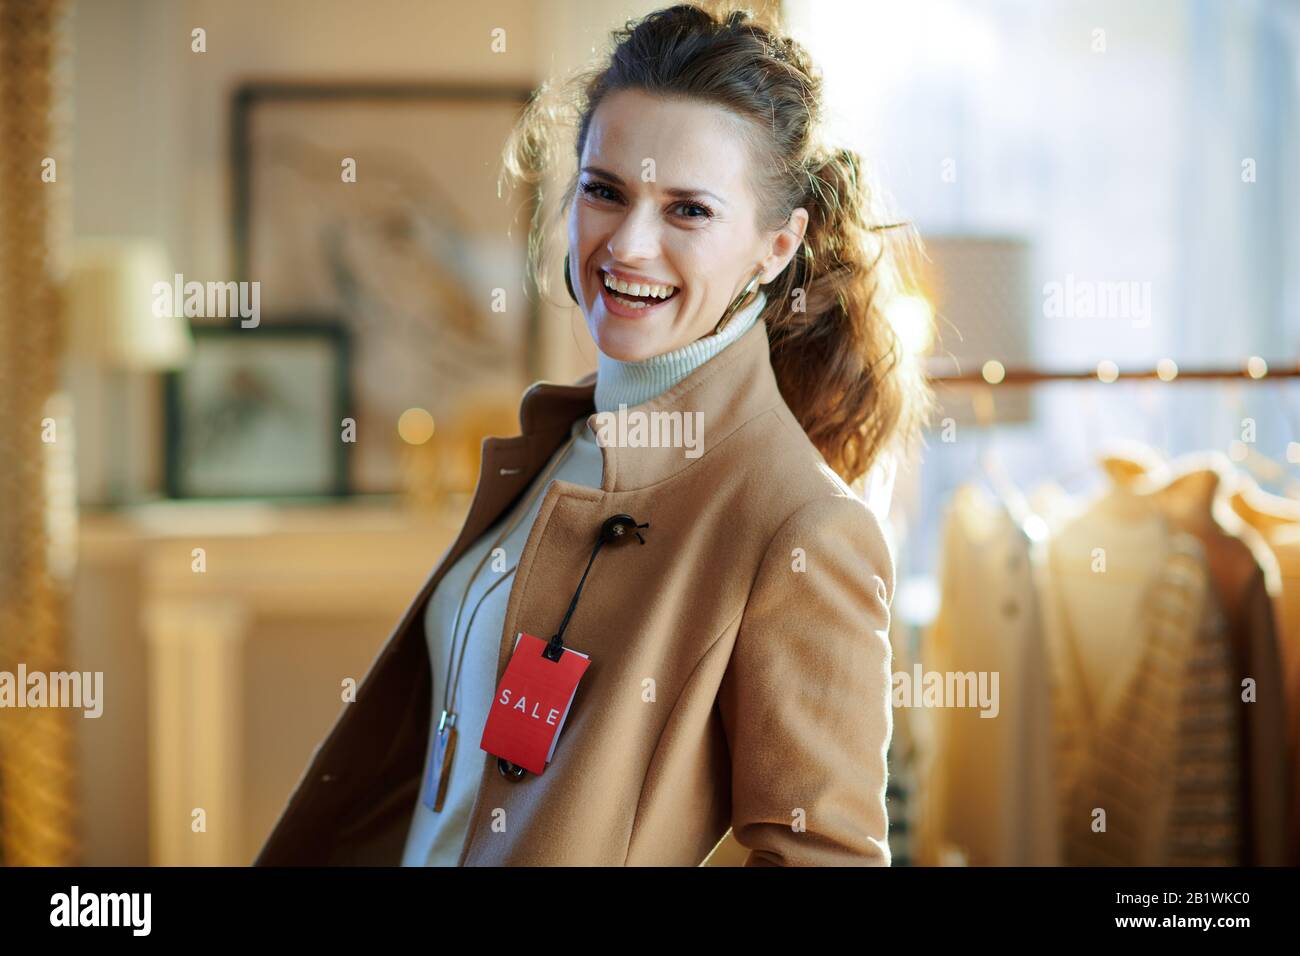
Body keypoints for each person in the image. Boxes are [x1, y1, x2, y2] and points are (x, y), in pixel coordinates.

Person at [254, 1, 933, 867]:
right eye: (605, 192)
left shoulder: (806, 530)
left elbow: (825, 860)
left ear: (774, 246)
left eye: (688, 211)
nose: (629, 246)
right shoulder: (553, 443)